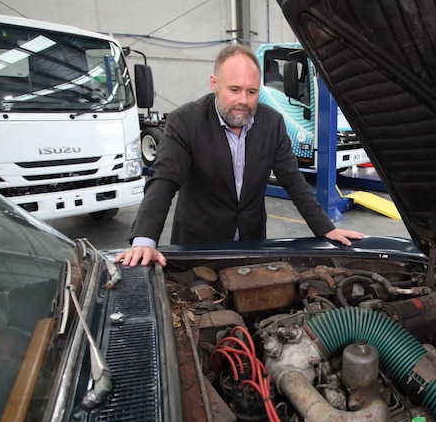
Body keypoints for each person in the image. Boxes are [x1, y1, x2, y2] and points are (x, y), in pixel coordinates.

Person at [116, 44, 363, 267]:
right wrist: (145, 241)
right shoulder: (185, 122)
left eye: (252, 92)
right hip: (198, 247)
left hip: (252, 245)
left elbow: (292, 179)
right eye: (234, 89)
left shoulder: (272, 123)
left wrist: (325, 228)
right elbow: (164, 180)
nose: (243, 101)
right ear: (214, 83)